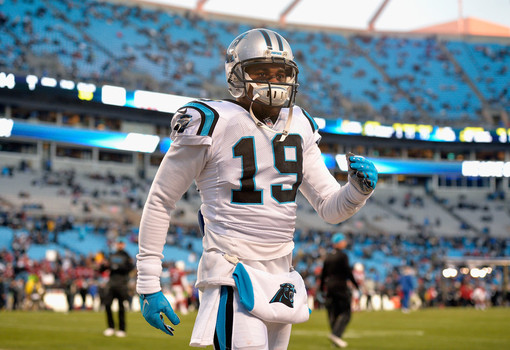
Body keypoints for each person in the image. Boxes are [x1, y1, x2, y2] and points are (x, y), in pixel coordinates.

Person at [136, 28, 378, 349]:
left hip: (282, 276)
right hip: (232, 270)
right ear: (236, 75)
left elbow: (331, 209)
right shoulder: (211, 120)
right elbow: (161, 200)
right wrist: (149, 282)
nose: (273, 81)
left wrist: (358, 190)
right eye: (261, 71)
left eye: (281, 73)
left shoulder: (300, 123)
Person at [320, 233, 360, 348]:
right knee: (346, 312)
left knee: (333, 313)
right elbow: (348, 272)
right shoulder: (343, 256)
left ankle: (335, 340)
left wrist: (322, 288)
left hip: (330, 287)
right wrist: (355, 285)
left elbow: (323, 275)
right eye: (343, 241)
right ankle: (336, 335)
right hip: (341, 287)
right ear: (338, 243)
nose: (345, 243)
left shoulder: (328, 256)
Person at [100, 238, 134, 337]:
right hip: (111, 283)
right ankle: (110, 327)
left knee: (121, 307)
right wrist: (103, 265)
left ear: (124, 244)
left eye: (121, 243)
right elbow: (103, 269)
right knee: (107, 305)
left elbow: (129, 268)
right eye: (118, 243)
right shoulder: (112, 255)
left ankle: (122, 329)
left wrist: (116, 267)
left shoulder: (127, 256)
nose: (120, 245)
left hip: (122, 284)